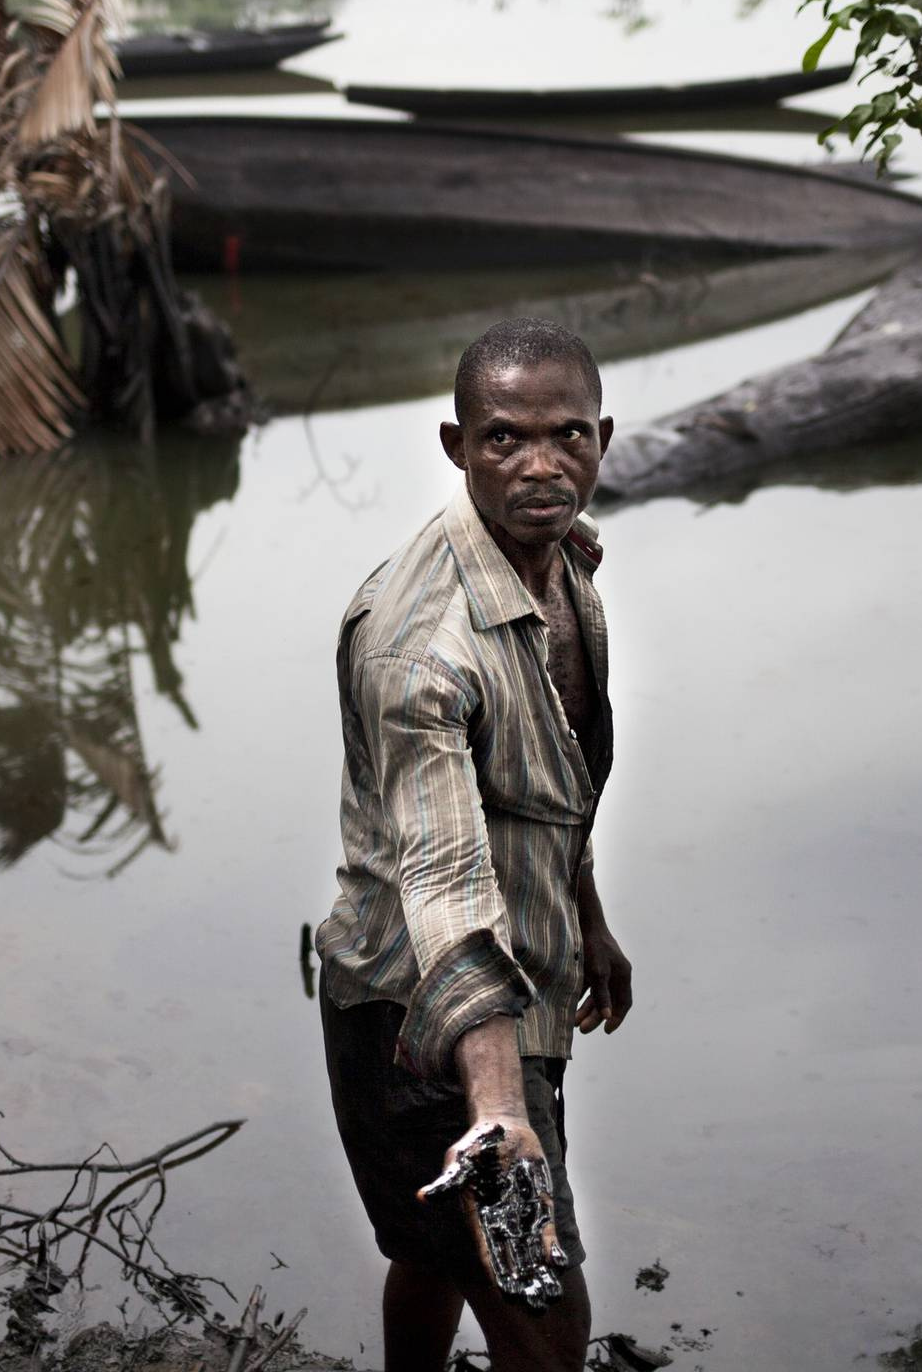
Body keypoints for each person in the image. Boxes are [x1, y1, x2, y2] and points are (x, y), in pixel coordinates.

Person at [317, 319, 636, 1372]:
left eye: (566, 435)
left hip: (526, 977)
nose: (541, 464)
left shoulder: (559, 561)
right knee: (545, 1321)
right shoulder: (422, 642)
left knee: (436, 1250)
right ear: (457, 447)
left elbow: (548, 777)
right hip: (421, 1021)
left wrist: (585, 913)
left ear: (603, 438)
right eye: (506, 439)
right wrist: (499, 1106)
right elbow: (447, 875)